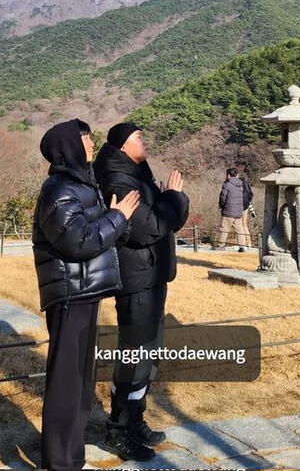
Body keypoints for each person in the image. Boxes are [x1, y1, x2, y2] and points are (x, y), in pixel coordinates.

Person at [32, 118, 141, 471]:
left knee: (81, 380)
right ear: (69, 146)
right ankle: (60, 460)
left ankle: (70, 455)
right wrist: (117, 216)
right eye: (85, 138)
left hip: (86, 291)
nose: (91, 143)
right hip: (69, 295)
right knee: (67, 382)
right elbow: (78, 241)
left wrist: (116, 220)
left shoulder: (82, 184)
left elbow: (98, 235)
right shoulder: (58, 190)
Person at [94, 122, 189, 462]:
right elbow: (147, 228)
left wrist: (168, 200)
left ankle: (135, 419)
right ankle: (117, 430)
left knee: (147, 355)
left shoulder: (136, 173)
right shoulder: (118, 180)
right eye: (138, 138)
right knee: (134, 356)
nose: (144, 141)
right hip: (136, 279)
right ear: (122, 145)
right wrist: (174, 198)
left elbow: (159, 219)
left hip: (150, 274)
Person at [215, 167, 249, 251]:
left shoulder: (227, 184)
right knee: (239, 229)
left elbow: (223, 197)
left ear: (228, 175)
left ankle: (221, 245)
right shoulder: (241, 185)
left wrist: (221, 206)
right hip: (238, 211)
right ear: (237, 175)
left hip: (228, 210)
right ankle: (243, 246)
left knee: (224, 228)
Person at [240, 173, 254, 248]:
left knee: (239, 225)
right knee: (244, 224)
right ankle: (248, 243)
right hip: (246, 207)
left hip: (240, 206)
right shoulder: (247, 186)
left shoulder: (240, 185)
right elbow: (250, 196)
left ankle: (243, 243)